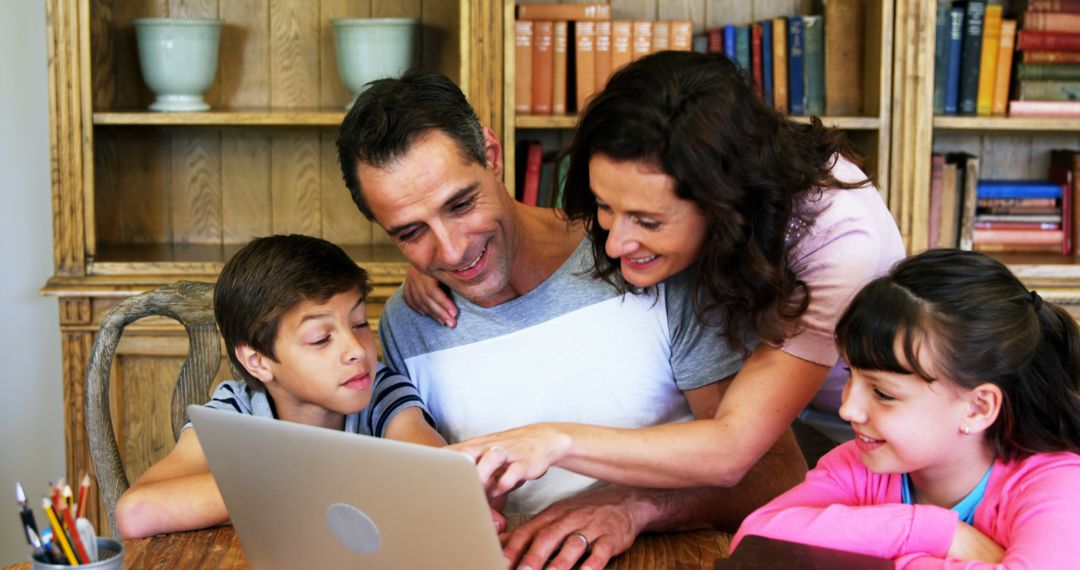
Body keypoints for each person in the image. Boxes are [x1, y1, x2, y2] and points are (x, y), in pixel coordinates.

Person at [336, 69, 807, 570]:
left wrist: (636, 505)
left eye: (461, 204)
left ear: (492, 157)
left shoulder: (645, 258)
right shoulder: (408, 322)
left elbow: (776, 472)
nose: (452, 250)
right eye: (411, 233)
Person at [410, 50, 902, 493]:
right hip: (794, 429)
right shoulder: (675, 182)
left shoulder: (837, 239)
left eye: (648, 222)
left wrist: (553, 440)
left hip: (876, 457)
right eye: (605, 206)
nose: (618, 242)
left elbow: (732, 448)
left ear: (722, 206)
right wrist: (452, 260)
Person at [732, 249, 1080, 567]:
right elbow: (755, 538)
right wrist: (930, 531)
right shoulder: (859, 466)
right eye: (850, 374)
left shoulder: (1057, 484)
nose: (848, 409)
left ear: (977, 408)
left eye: (882, 393)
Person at [114, 234, 444, 539]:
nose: (357, 350)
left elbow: (437, 476)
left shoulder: (379, 391)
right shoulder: (235, 412)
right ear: (257, 361)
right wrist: (302, 485)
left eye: (359, 323)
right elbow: (137, 511)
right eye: (320, 338)